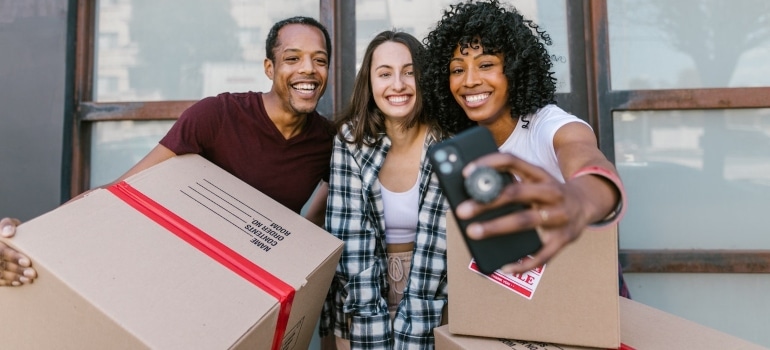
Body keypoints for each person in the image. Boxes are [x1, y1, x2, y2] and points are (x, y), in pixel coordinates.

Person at [0, 16, 335, 287]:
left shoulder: (327, 143)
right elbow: (121, 192)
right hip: (184, 277)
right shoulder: (216, 117)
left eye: (319, 61)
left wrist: (299, 244)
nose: (308, 69)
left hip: (259, 288)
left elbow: (329, 199)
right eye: (293, 58)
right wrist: (29, 236)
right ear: (269, 68)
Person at [422, 0, 630, 297]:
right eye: (457, 69)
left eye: (486, 65)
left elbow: (586, 157)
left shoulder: (548, 125)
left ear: (516, 68)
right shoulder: (462, 145)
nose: (469, 81)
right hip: (518, 302)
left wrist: (579, 198)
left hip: (588, 297)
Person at [320, 30, 449, 349]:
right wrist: (365, 320)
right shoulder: (351, 141)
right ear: (370, 83)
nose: (398, 85)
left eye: (409, 72)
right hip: (361, 287)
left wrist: (419, 325)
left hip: (436, 289)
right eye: (385, 74)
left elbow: (440, 244)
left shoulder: (446, 141)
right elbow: (349, 238)